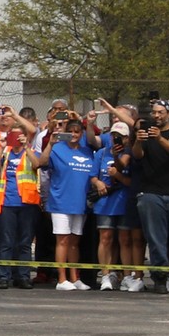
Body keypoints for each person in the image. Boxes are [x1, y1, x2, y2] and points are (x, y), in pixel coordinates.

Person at [129, 100, 169, 293]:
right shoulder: (146, 133)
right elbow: (137, 156)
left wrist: (159, 138)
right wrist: (139, 140)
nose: (156, 116)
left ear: (168, 114)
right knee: (155, 237)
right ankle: (159, 277)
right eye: (154, 113)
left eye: (160, 112)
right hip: (151, 191)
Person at [27, 110, 97, 291]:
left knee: (75, 242)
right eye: (71, 131)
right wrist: (50, 144)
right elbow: (40, 163)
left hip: (80, 203)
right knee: (62, 241)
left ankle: (75, 278)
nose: (74, 134)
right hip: (60, 202)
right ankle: (61, 279)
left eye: (77, 131)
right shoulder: (57, 148)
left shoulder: (87, 151)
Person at [0, 120, 40, 289]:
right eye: (13, 135)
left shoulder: (29, 152)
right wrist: (2, 147)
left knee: (24, 242)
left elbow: (37, 164)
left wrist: (26, 147)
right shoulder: (7, 152)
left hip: (26, 203)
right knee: (6, 241)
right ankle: (4, 276)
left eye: (19, 135)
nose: (16, 138)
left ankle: (23, 276)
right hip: (7, 203)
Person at [93, 121, 141, 292]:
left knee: (125, 239)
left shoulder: (131, 155)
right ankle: (106, 274)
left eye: (120, 136)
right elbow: (93, 175)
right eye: (114, 136)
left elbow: (129, 181)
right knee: (105, 237)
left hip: (124, 199)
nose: (116, 139)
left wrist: (117, 175)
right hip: (105, 201)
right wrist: (98, 183)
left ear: (127, 138)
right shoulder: (101, 153)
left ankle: (127, 276)